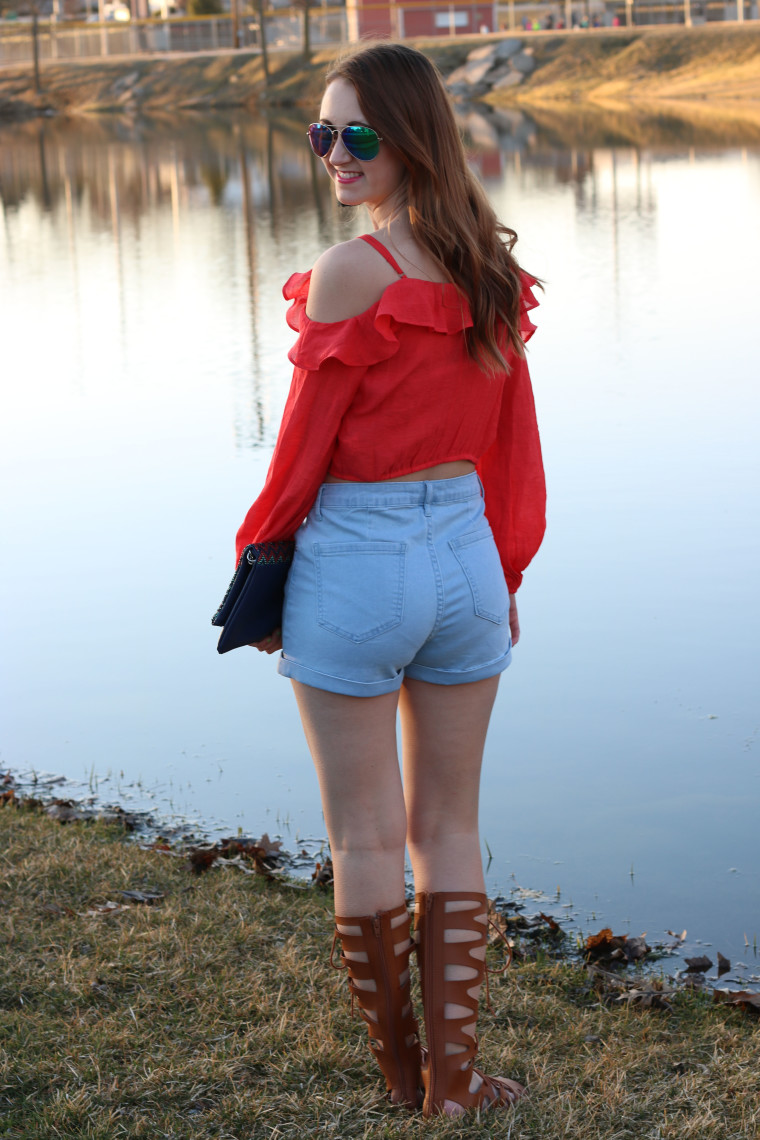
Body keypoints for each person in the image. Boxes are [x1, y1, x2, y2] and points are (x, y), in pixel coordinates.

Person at [234, 42, 546, 1117]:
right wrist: (498, 573)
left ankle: (407, 1081)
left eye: (355, 135)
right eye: (321, 134)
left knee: (366, 837)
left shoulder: (350, 271)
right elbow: (515, 446)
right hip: (465, 554)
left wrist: (260, 567)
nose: (333, 154)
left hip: (360, 561)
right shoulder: (488, 272)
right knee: (448, 827)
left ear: (412, 136)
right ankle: (454, 1090)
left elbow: (301, 452)